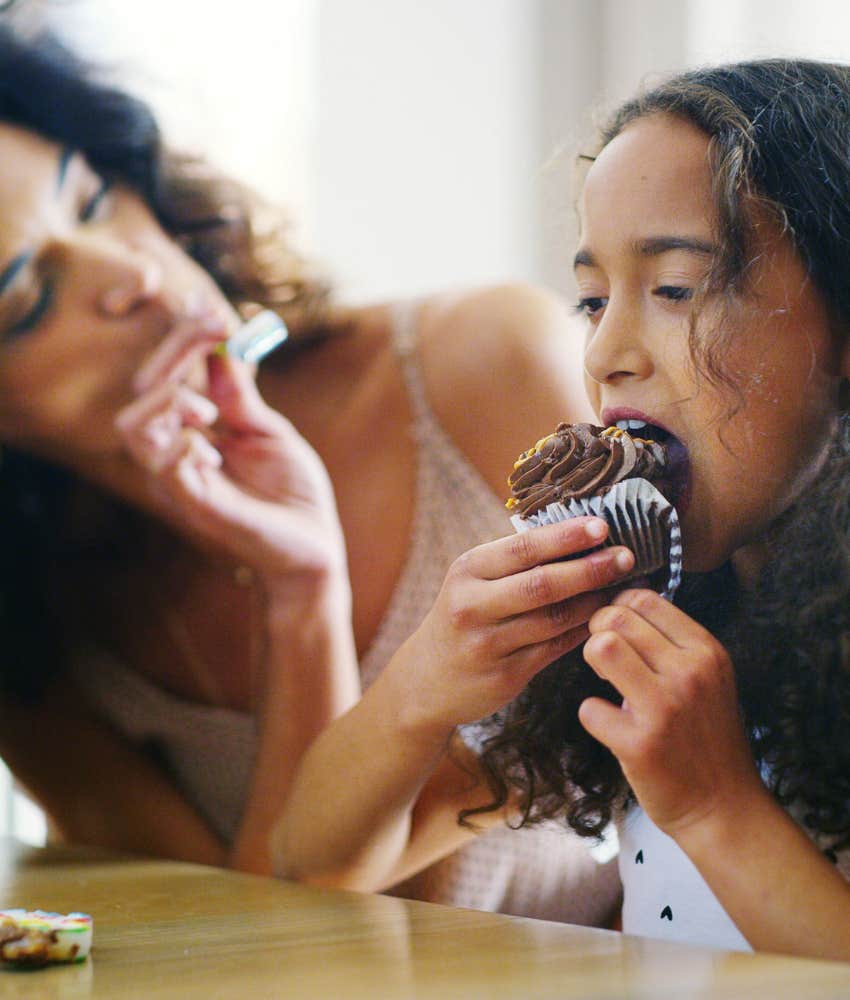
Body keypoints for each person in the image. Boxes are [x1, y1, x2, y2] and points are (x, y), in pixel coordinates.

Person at [0, 24, 622, 925]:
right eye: (27, 299)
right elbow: (261, 955)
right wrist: (301, 592)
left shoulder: (490, 364)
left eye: (92, 200)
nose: (130, 272)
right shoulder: (34, 635)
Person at [272, 58, 850, 959]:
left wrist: (713, 806)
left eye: (674, 290)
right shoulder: (641, 611)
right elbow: (316, 864)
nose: (609, 352)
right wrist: (424, 685)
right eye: (592, 299)